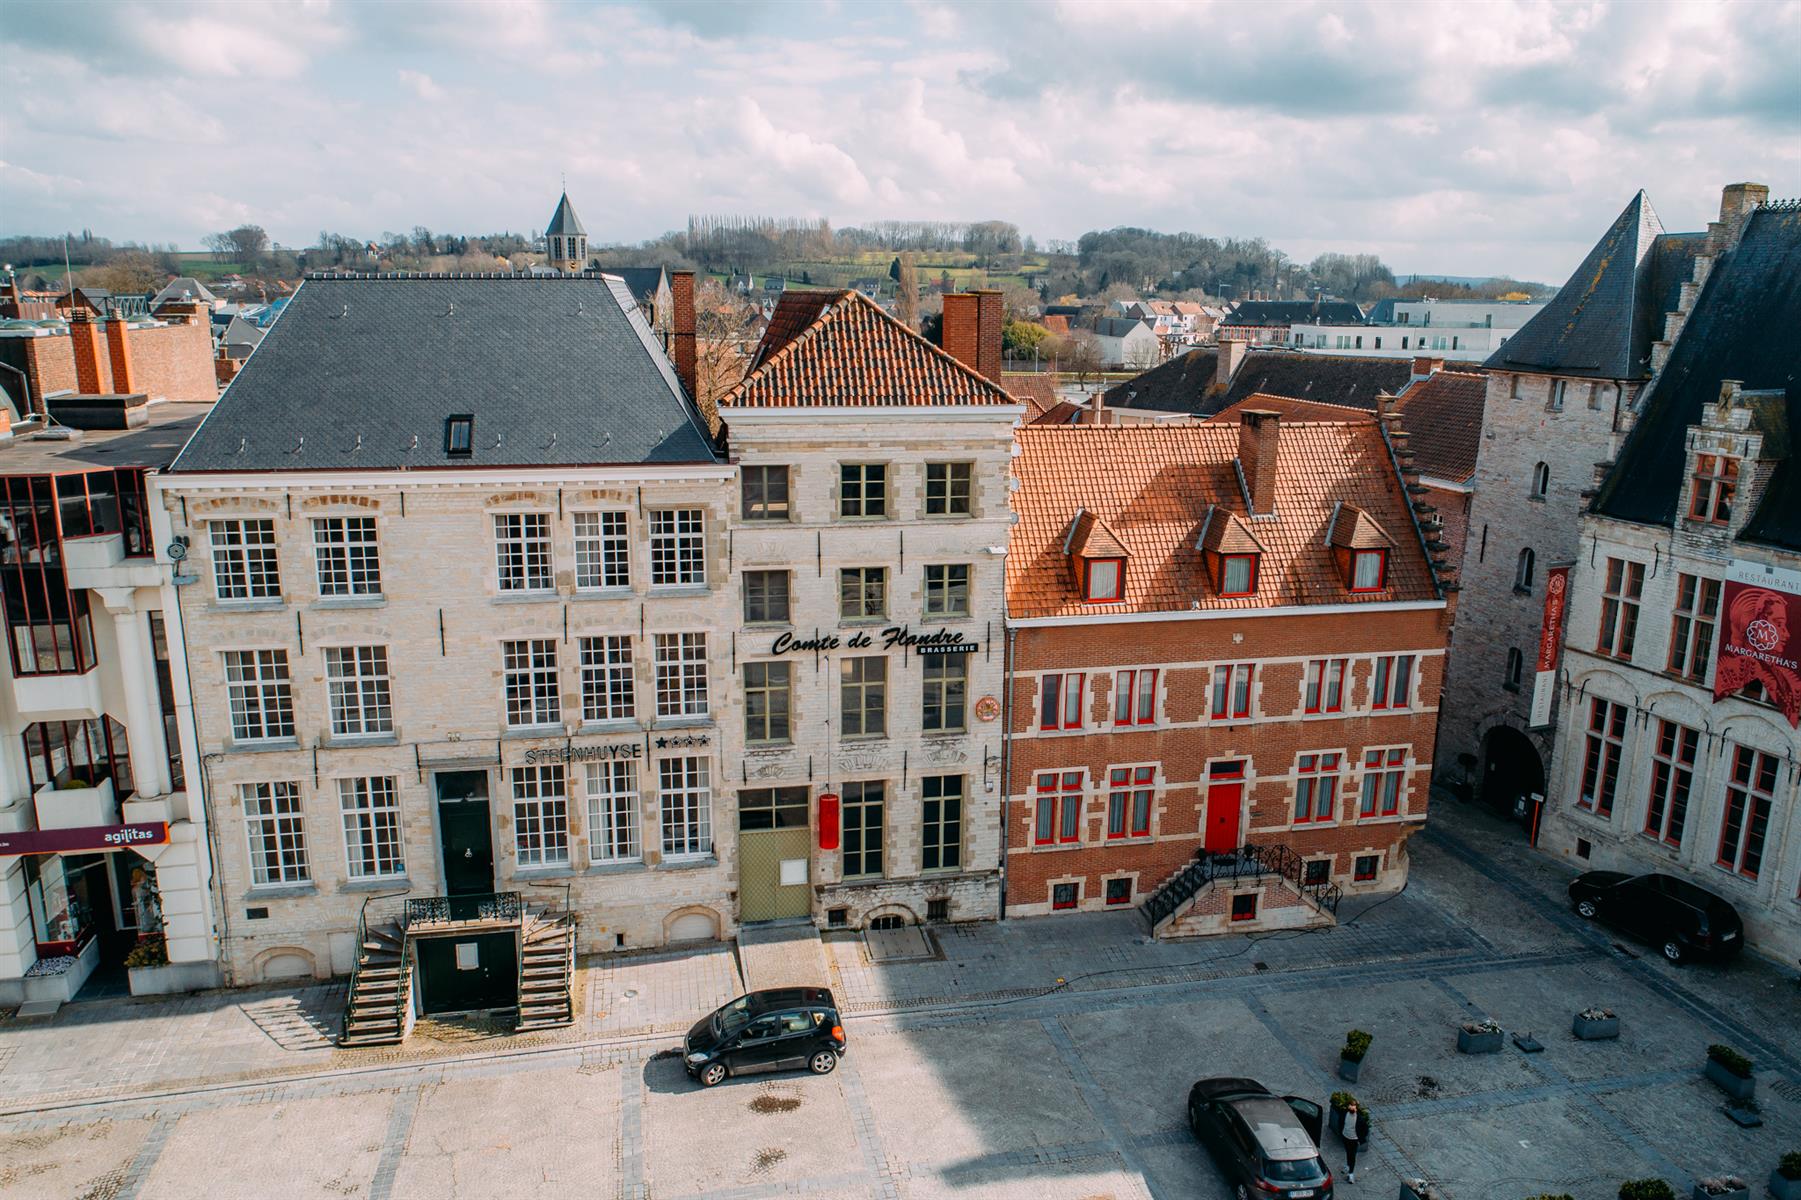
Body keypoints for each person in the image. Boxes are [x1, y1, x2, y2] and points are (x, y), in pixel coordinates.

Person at [1342, 1099, 1369, 1182]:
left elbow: (1365, 1130)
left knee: (1352, 1156)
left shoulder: (1360, 1119)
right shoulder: (1344, 1114)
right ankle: (1348, 1166)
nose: (1352, 1109)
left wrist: (1359, 1138)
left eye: (1354, 1107)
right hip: (1345, 1137)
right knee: (1348, 1152)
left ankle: (1351, 1173)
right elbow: (1341, 1122)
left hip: (1354, 1140)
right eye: (1351, 1106)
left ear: (1356, 1108)